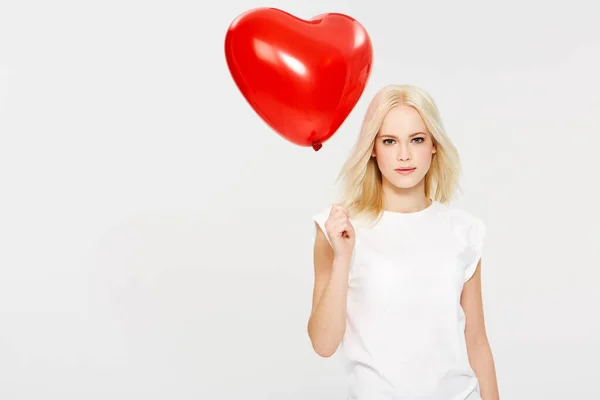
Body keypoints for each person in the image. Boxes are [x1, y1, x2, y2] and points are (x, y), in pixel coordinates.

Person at [307, 84, 500, 399]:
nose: (404, 155)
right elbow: (324, 344)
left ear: (434, 145)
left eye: (417, 139)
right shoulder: (338, 228)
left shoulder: (463, 231)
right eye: (389, 141)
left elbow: (476, 342)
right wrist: (343, 257)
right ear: (372, 147)